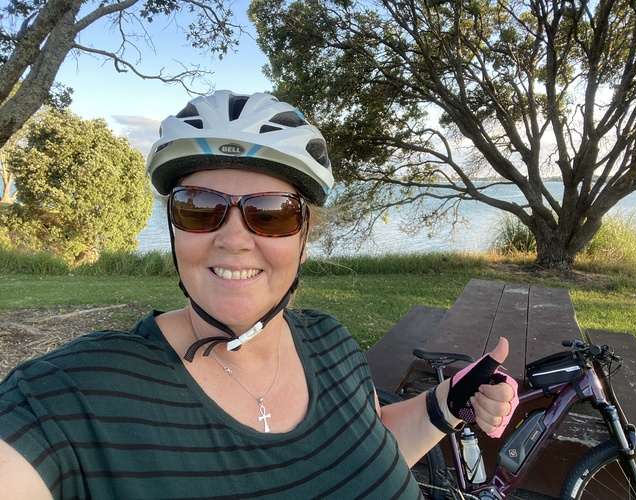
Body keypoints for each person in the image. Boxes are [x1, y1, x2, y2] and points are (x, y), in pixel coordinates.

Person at [0, 91, 517, 499]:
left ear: (304, 239)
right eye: (199, 206)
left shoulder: (332, 343)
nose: (233, 238)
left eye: (270, 212)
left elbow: (370, 447)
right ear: (175, 228)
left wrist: (449, 402)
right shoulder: (70, 396)